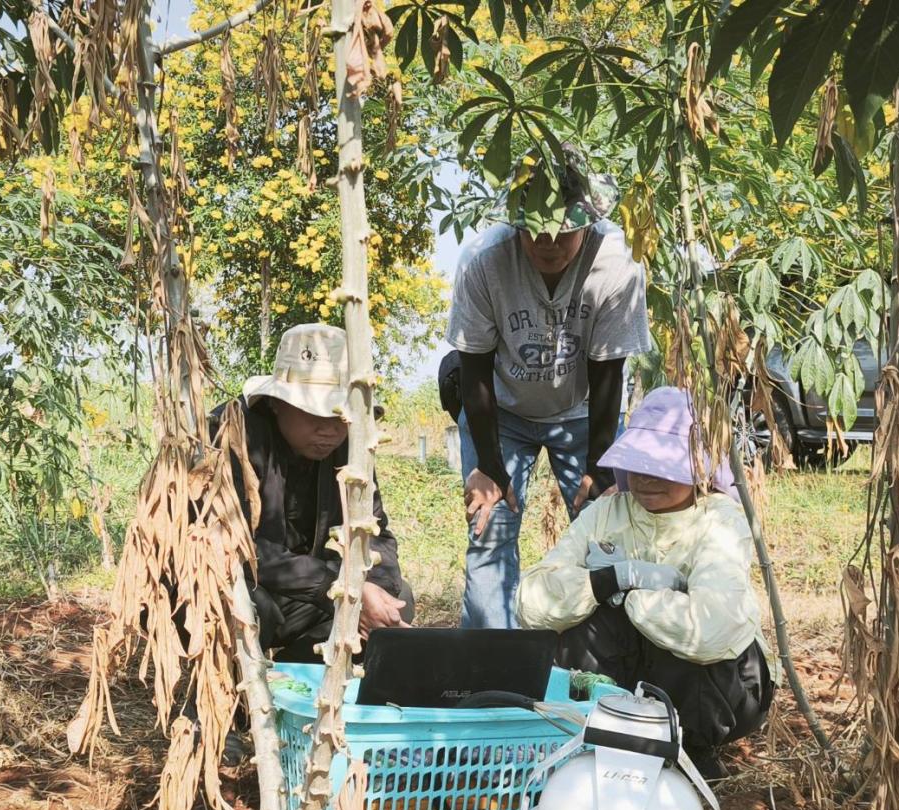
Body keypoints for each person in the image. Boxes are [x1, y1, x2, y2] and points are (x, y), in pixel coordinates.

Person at [515, 387, 775, 777]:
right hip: (630, 668)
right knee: (573, 626)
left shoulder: (719, 518)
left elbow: (710, 629)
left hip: (726, 686)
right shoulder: (607, 512)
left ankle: (692, 747)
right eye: (640, 464)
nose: (648, 479)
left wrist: (633, 595)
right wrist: (608, 581)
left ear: (699, 466)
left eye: (664, 466)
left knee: (684, 642)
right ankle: (604, 734)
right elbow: (530, 603)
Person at [446, 144, 652, 629]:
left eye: (562, 231)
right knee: (489, 529)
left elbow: (608, 372)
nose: (548, 243)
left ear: (588, 219)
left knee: (601, 532)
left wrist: (600, 468)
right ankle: (491, 670)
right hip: (499, 411)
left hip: (583, 414)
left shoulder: (617, 264)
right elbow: (472, 367)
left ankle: (597, 665)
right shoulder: (483, 260)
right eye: (534, 231)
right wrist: (490, 467)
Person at [215, 323, 413, 662]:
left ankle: (305, 690)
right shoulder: (231, 435)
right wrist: (337, 586)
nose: (329, 430)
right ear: (277, 404)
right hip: (240, 582)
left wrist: (373, 589)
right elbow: (234, 546)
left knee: (398, 599)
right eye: (314, 414)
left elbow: (374, 531)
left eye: (341, 417)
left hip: (306, 592)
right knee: (244, 605)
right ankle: (231, 703)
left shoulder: (351, 446)